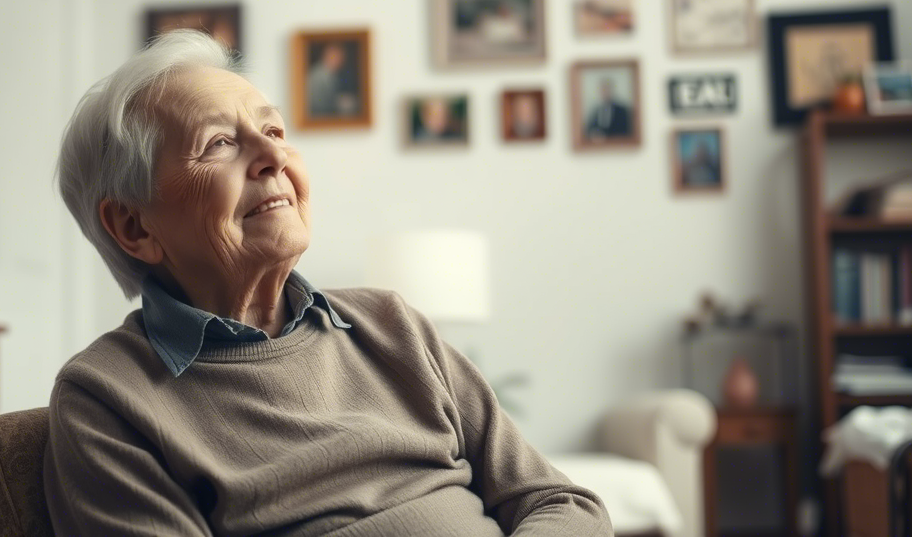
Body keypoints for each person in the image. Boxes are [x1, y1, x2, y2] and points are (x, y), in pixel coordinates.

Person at [46, 30, 613, 535]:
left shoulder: (392, 326)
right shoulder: (107, 397)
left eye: (272, 129)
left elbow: (561, 503)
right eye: (219, 143)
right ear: (133, 225)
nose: (273, 154)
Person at [304, 42, 353, 116]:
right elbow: (318, 105)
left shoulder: (333, 74)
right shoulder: (317, 75)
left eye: (342, 57)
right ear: (327, 55)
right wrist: (339, 105)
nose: (341, 60)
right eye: (337, 56)